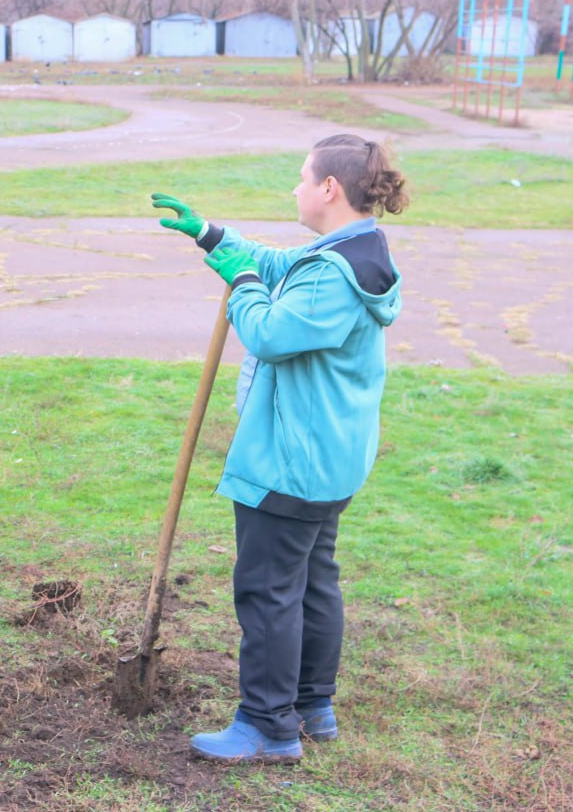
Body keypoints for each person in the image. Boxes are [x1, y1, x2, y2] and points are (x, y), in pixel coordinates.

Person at [152, 134, 408, 762]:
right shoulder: (351, 251)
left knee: (268, 589)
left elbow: (267, 330)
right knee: (314, 580)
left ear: (330, 189)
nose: (294, 188)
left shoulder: (333, 273)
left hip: (292, 462)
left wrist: (238, 283)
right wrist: (214, 237)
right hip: (331, 458)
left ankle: (267, 726)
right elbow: (279, 270)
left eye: (301, 178)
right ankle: (312, 706)